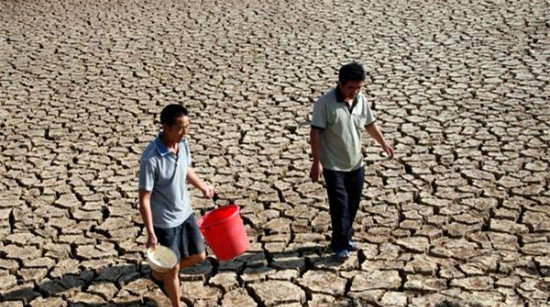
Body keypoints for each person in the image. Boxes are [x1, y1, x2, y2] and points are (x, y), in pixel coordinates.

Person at [309, 62, 394, 261]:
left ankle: (345, 239)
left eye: (358, 88)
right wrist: (317, 161)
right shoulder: (325, 103)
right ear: (340, 83)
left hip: (356, 163)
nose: (354, 92)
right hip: (333, 165)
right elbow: (315, 132)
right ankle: (339, 246)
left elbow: (370, 124)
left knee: (352, 205)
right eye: (350, 88)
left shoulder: (361, 100)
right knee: (340, 207)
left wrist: (384, 143)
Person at [138, 104, 215, 307]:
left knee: (200, 255)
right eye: (180, 127)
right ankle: (176, 302)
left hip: (185, 213)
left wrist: (203, 187)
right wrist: (150, 232)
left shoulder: (183, 144)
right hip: (165, 223)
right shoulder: (151, 159)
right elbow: (144, 198)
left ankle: (160, 274)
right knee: (172, 270)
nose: (184, 132)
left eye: (187, 126)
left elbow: (186, 169)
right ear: (166, 127)